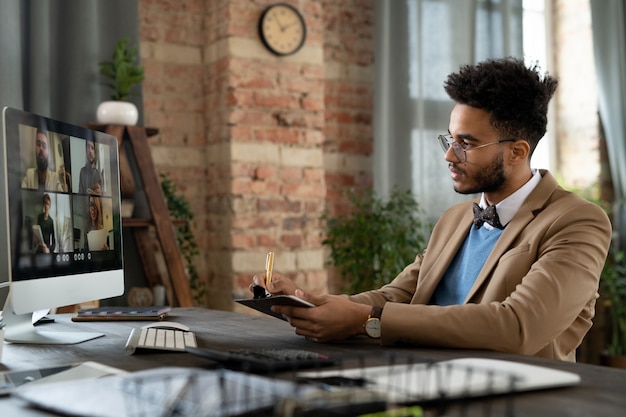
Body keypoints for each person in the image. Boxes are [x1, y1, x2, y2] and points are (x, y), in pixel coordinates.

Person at [252, 57, 612, 362]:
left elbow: (519, 326)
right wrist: (311, 304)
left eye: (466, 143)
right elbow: (398, 297)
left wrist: (364, 320)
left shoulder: (577, 221)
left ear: (517, 151)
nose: (449, 155)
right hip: (427, 387)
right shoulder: (454, 219)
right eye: (450, 139)